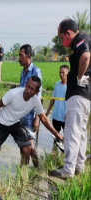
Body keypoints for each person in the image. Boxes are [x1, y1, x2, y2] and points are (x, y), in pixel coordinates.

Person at [0, 76, 63, 171]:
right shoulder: (13, 93)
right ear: (25, 84)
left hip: (15, 123)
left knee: (27, 148)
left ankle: (22, 172)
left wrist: (57, 134)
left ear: (37, 92)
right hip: (2, 123)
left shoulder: (35, 101)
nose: (28, 90)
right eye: (28, 86)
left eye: (32, 89)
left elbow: (43, 119)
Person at [50, 19, 91, 179]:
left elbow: (86, 57)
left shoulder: (80, 40)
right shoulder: (83, 40)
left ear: (68, 33)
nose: (62, 41)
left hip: (78, 93)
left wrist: (79, 77)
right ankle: (79, 166)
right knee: (80, 132)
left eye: (61, 37)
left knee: (72, 132)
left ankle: (68, 170)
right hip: (86, 96)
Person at [18, 44, 42, 167]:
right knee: (26, 145)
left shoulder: (35, 71)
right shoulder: (23, 72)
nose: (19, 58)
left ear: (28, 56)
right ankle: (33, 169)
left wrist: (37, 118)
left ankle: (32, 168)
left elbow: (39, 97)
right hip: (22, 114)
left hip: (31, 116)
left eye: (21, 55)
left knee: (30, 146)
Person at [45, 65, 69, 151]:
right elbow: (53, 99)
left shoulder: (70, 86)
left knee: (67, 138)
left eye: (63, 72)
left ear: (68, 73)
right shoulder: (57, 84)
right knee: (56, 137)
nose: (61, 74)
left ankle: (65, 156)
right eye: (60, 72)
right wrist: (47, 111)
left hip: (66, 116)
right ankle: (54, 154)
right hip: (56, 115)